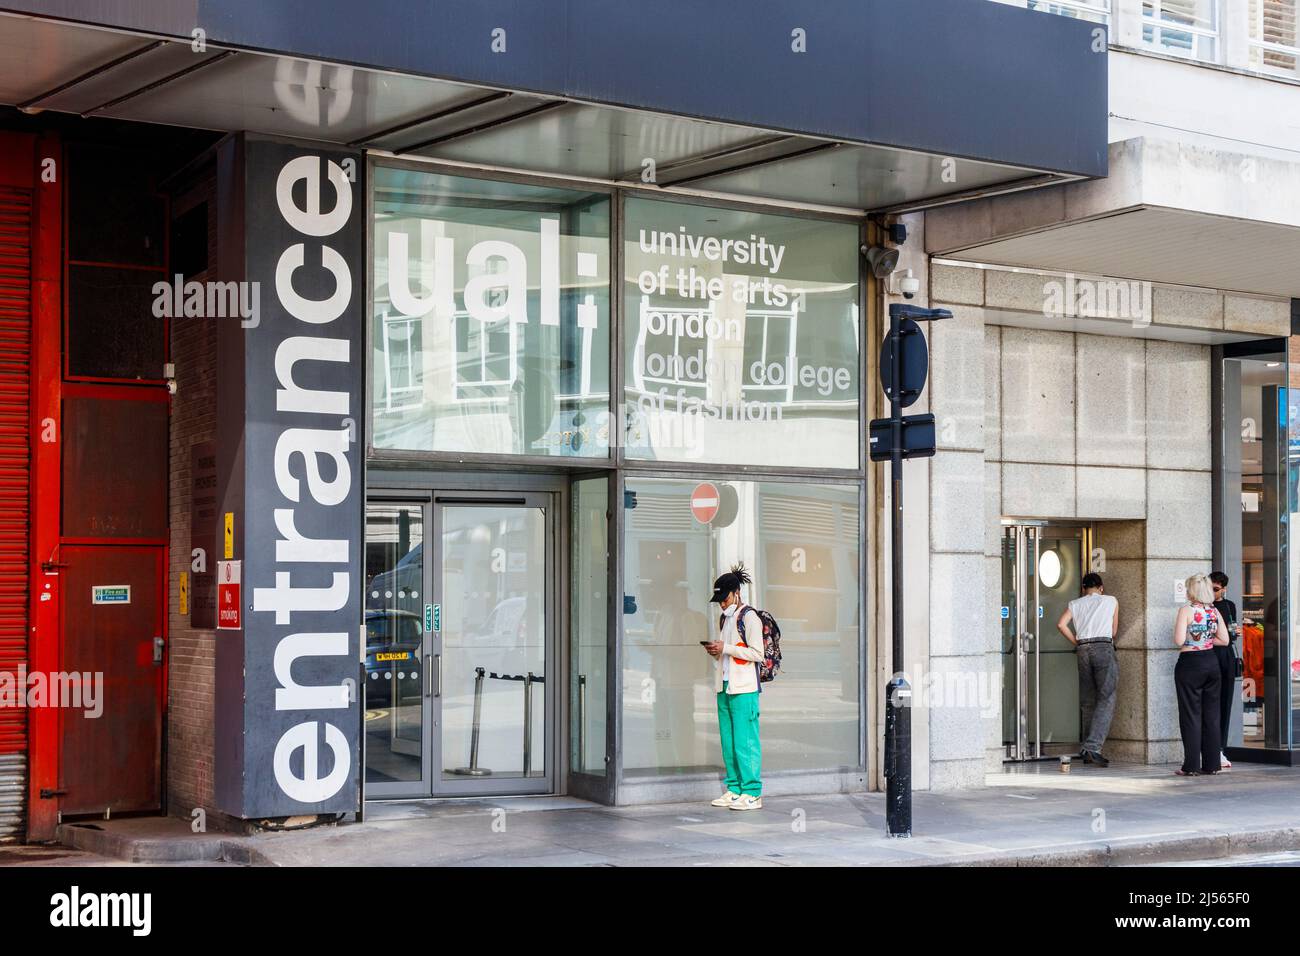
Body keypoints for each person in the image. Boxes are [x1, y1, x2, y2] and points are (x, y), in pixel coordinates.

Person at [703, 562, 764, 811]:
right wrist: (717, 651)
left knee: (745, 741)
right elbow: (730, 653)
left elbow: (757, 653)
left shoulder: (750, 617)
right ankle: (735, 788)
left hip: (745, 688)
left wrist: (725, 648)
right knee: (728, 741)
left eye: (725, 598)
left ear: (736, 593)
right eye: (719, 599)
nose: (722, 603)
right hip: (725, 686)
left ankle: (752, 792)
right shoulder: (725, 619)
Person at [1056, 571, 1119, 767]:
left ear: (1084, 589)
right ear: (1101, 588)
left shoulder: (1075, 604)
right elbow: (1114, 631)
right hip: (1103, 646)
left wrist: (1077, 641)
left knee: (1088, 699)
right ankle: (1093, 747)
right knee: (1107, 697)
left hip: (1083, 648)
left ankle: (1086, 748)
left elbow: (1061, 624)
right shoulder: (1111, 600)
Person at [1173, 573, 1230, 776]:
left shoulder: (1186, 610)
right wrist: (1205, 640)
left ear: (1192, 591)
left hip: (1190, 664)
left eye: (1188, 588)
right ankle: (1212, 764)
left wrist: (1193, 640)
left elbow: (1179, 640)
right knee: (1212, 716)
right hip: (1211, 663)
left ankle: (1191, 766)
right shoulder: (1214, 611)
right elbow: (1224, 640)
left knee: (1191, 715)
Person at [1209, 571, 1242, 770]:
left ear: (1224, 589)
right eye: (1210, 588)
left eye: (1216, 589)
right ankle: (1210, 748)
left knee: (1225, 702)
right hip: (1209, 655)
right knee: (1210, 703)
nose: (1212, 593)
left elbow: (1232, 635)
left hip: (1226, 656)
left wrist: (1235, 632)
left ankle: (1220, 748)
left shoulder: (1229, 606)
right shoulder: (1203, 608)